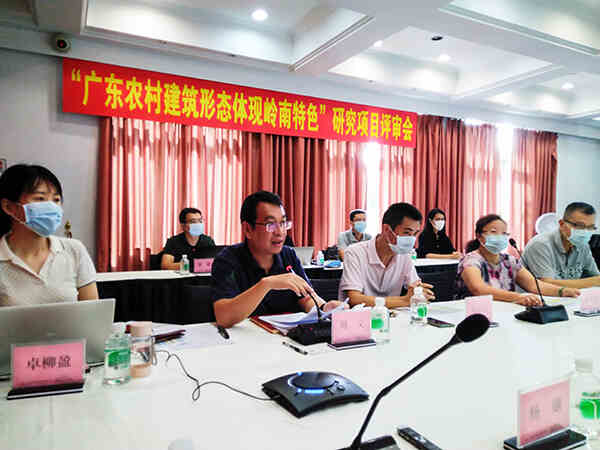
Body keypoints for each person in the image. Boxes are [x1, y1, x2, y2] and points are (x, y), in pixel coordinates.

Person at [211, 191, 344, 328]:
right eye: (271, 224)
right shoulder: (227, 260)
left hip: (285, 336)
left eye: (283, 223)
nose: (280, 232)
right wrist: (266, 284)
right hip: (243, 338)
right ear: (248, 229)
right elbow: (223, 317)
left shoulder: (288, 255)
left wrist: (325, 307)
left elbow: (306, 298)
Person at [0, 164, 98, 306]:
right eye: (40, 198)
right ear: (9, 207)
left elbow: (93, 311)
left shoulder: (74, 249)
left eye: (56, 200)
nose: (51, 207)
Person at [455, 214, 579, 306]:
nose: (499, 236)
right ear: (479, 236)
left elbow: (534, 285)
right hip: (474, 313)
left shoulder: (509, 260)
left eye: (504, 233)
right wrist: (517, 297)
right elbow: (478, 289)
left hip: (505, 311)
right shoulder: (471, 260)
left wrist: (562, 291)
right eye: (493, 232)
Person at [339, 202, 435, 308]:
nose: (411, 239)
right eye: (407, 233)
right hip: (360, 316)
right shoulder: (354, 252)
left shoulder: (404, 255)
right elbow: (354, 299)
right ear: (386, 229)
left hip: (392, 315)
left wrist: (419, 292)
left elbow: (415, 287)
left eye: (415, 234)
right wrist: (404, 300)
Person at [522, 202, 600, 289]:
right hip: (537, 296)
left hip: (571, 295)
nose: (585, 232)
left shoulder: (583, 245)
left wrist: (594, 281)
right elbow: (546, 284)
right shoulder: (540, 245)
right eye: (579, 226)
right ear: (562, 224)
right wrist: (593, 282)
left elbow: (595, 277)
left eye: (590, 227)